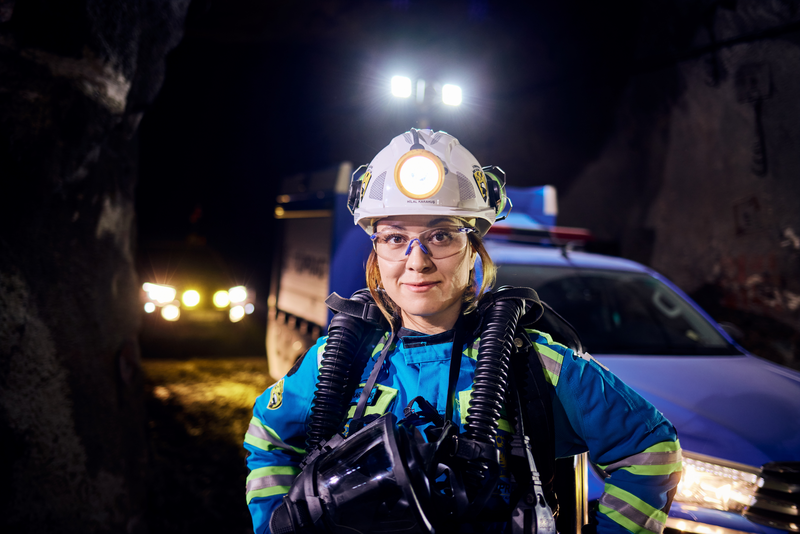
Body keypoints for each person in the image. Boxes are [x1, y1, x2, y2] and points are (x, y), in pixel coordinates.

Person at [244, 129, 682, 534]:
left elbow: (651, 449)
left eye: (441, 236)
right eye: (395, 238)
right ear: (375, 251)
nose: (417, 261)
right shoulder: (337, 360)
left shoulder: (532, 363)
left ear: (474, 248)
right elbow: (268, 436)